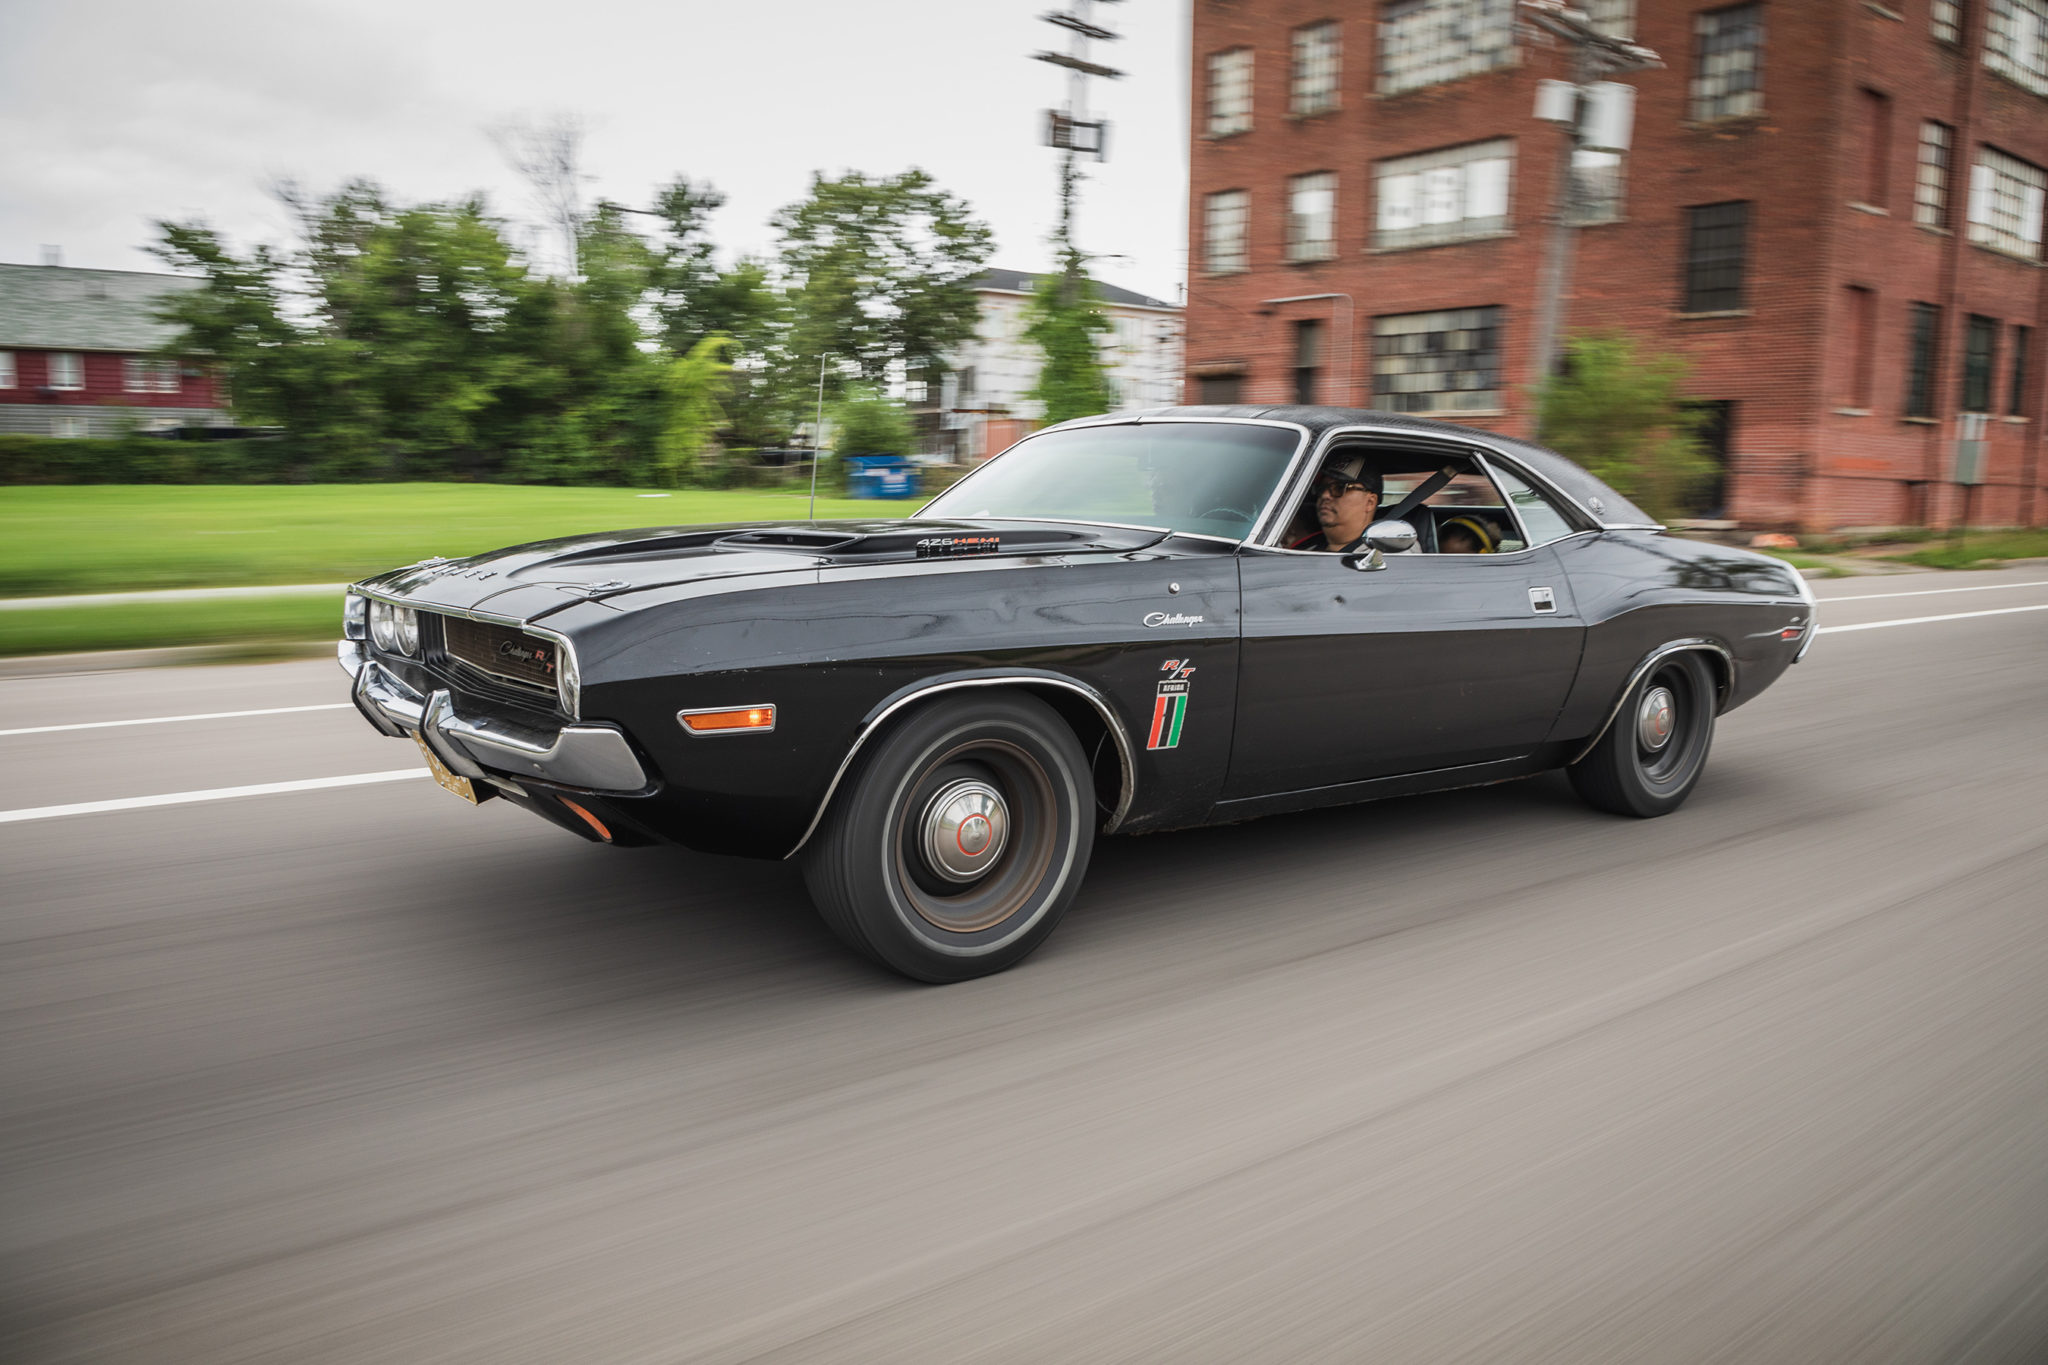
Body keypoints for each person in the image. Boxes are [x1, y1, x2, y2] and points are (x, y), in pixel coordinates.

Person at [1290, 454, 1383, 552]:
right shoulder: (1305, 548)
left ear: (1370, 502)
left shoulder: (1379, 559)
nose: (1325, 495)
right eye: (1322, 488)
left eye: (1340, 487)